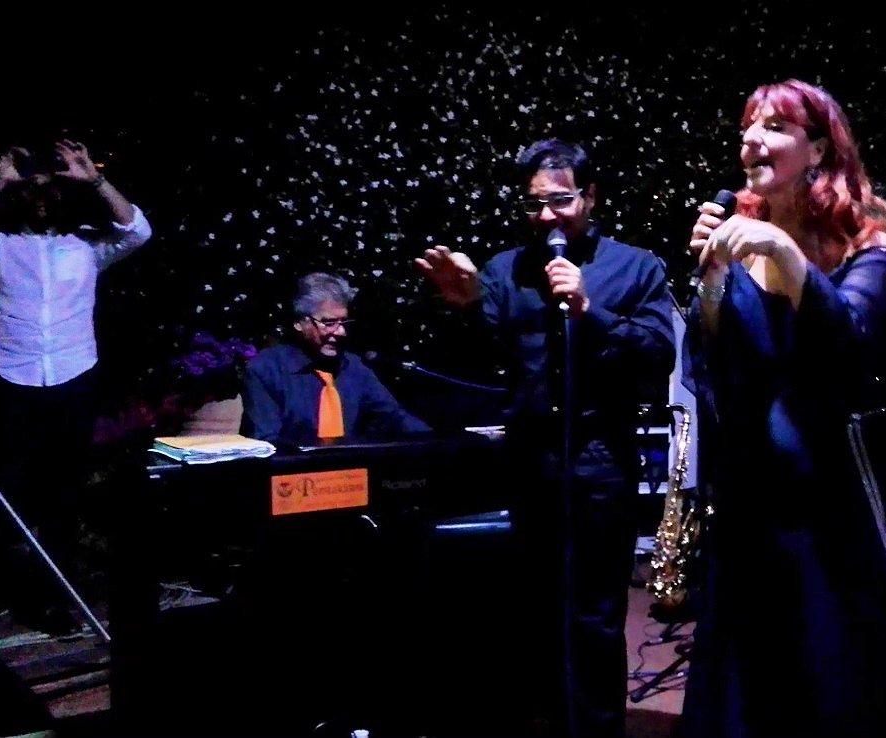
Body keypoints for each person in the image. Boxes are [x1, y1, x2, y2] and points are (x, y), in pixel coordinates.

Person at [681, 79, 886, 737]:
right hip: (752, 509)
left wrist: (782, 253)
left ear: (820, 149)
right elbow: (709, 357)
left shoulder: (869, 253)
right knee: (751, 693)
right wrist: (711, 279)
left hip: (839, 518)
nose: (752, 140)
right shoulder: (738, 241)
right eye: (748, 127)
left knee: (836, 688)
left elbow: (849, 337)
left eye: (774, 127)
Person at [414, 138, 675, 737]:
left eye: (560, 200)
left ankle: (597, 729)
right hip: (530, 459)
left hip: (600, 459)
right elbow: (478, 363)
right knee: (533, 608)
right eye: (534, 205)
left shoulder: (635, 266)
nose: (547, 216)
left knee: (596, 615)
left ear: (590, 196)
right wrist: (467, 306)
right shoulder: (505, 270)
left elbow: (658, 354)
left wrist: (588, 310)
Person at [0, 140, 153, 634]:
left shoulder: (86, 246)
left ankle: (54, 600)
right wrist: (0, 182)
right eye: (31, 190)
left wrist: (96, 179)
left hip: (74, 379)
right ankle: (10, 587)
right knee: (8, 494)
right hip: (12, 380)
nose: (40, 200)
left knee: (62, 496)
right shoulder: (1, 244)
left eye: (49, 191)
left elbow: (137, 230)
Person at [240, 271, 430, 444]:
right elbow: (266, 442)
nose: (340, 332)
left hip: (352, 469)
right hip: (294, 469)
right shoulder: (266, 370)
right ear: (299, 323)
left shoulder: (354, 368)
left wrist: (434, 442)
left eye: (344, 322)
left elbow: (395, 418)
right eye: (329, 322)